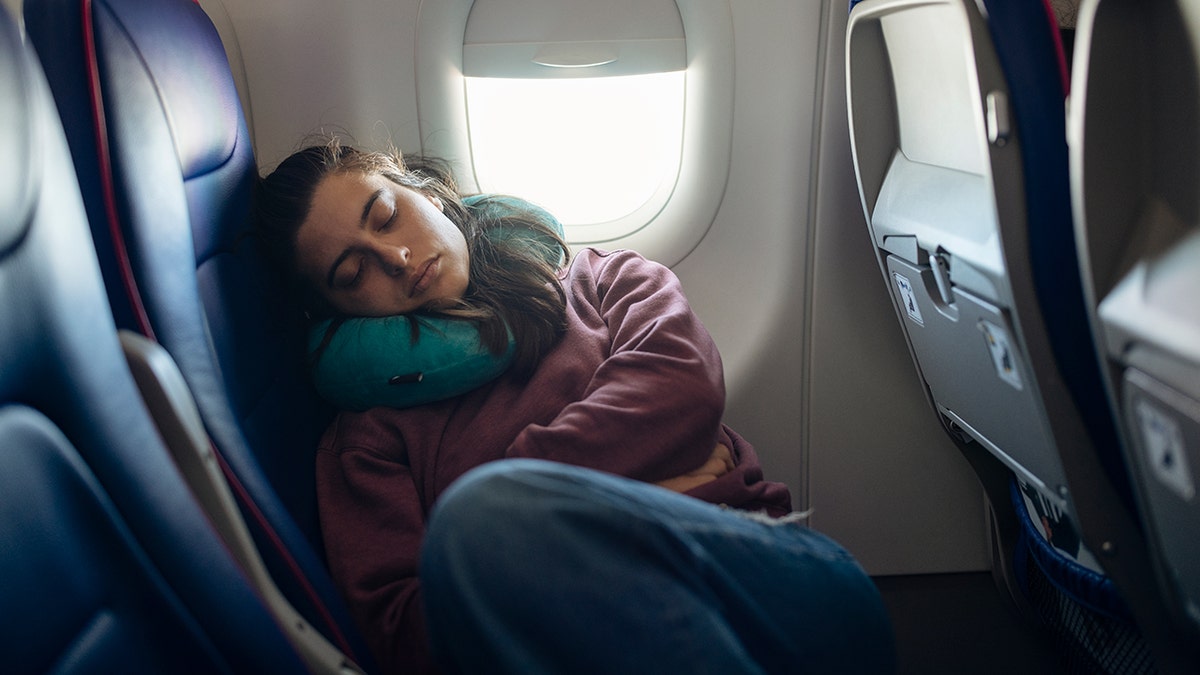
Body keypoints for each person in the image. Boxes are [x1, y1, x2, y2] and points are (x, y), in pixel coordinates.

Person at [256, 138, 895, 674]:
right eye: (352, 273)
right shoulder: (367, 441)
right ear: (334, 315)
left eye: (387, 214)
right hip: (582, 652)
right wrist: (610, 508)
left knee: (484, 517)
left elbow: (682, 390)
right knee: (485, 518)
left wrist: (513, 526)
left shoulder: (606, 279)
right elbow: (403, 632)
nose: (393, 258)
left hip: (775, 584)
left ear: (423, 189)